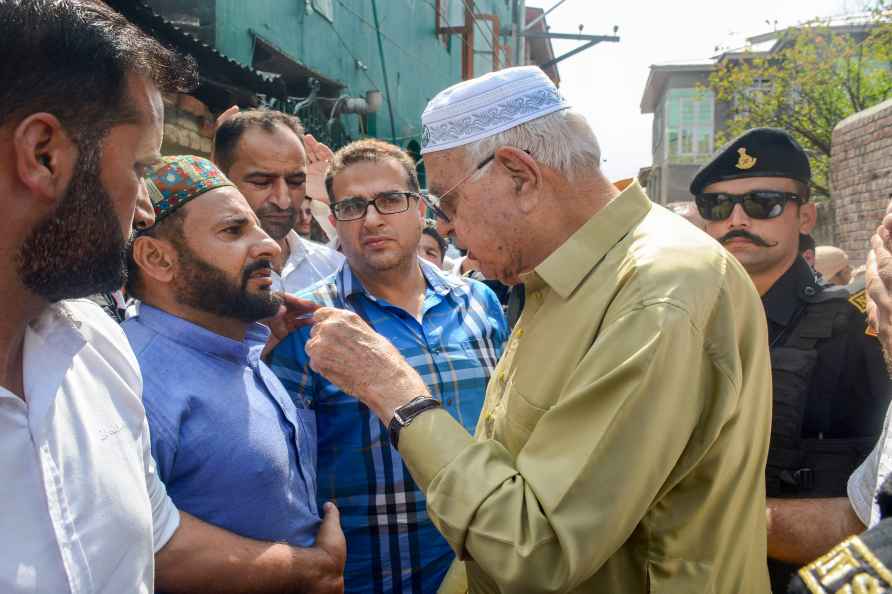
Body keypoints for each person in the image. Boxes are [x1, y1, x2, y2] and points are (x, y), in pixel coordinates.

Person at [294, 66, 773, 593]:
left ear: (519, 175)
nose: (445, 228)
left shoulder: (659, 290)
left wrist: (396, 393)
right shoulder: (556, 279)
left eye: (447, 204)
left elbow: (536, 551)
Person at [270, 139, 508, 594]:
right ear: (334, 219)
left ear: (420, 210)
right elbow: (289, 476)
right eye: (352, 206)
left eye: (390, 200)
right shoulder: (308, 322)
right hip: (372, 576)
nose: (372, 219)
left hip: (484, 568)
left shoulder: (478, 304)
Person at [124, 155, 345, 593]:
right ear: (157, 258)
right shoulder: (133, 377)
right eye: (233, 231)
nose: (269, 246)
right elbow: (135, 546)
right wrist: (313, 568)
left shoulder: (243, 348)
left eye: (258, 228)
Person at [691, 127, 890, 591]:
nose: (736, 219)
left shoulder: (857, 329)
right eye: (717, 207)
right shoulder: (689, 320)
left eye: (763, 203)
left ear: (806, 217)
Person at [213, 108, 343, 293]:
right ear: (222, 178)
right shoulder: (200, 276)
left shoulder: (334, 268)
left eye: (296, 182)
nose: (283, 200)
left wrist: (333, 193)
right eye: (261, 182)